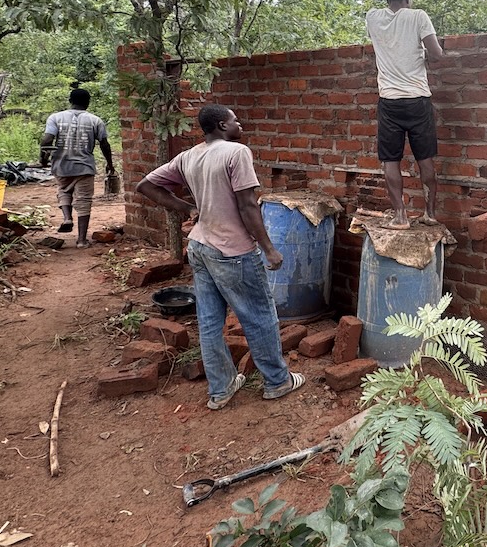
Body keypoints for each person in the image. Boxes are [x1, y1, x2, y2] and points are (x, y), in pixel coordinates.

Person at [135, 105, 304, 410]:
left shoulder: (189, 156)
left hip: (200, 247)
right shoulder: (236, 152)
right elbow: (248, 206)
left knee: (210, 322)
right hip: (233, 251)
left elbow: (145, 185)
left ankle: (221, 389)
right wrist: (268, 248)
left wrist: (187, 209)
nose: (240, 124)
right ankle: (277, 382)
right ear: (223, 124)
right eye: (236, 120)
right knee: (260, 317)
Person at [366, 0, 445, 230]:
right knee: (425, 160)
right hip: (418, 99)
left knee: (391, 161)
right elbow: (437, 55)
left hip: (389, 101)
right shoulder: (417, 16)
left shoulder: (373, 18)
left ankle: (400, 216)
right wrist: (424, 55)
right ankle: (430, 214)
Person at [40, 87, 115, 248]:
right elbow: (104, 144)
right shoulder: (95, 120)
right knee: (84, 201)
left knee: (64, 190)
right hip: (85, 167)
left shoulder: (55, 118)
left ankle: (67, 218)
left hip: (61, 164)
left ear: (70, 101)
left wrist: (43, 159)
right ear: (88, 102)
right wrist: (110, 164)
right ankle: (81, 240)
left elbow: (47, 140)